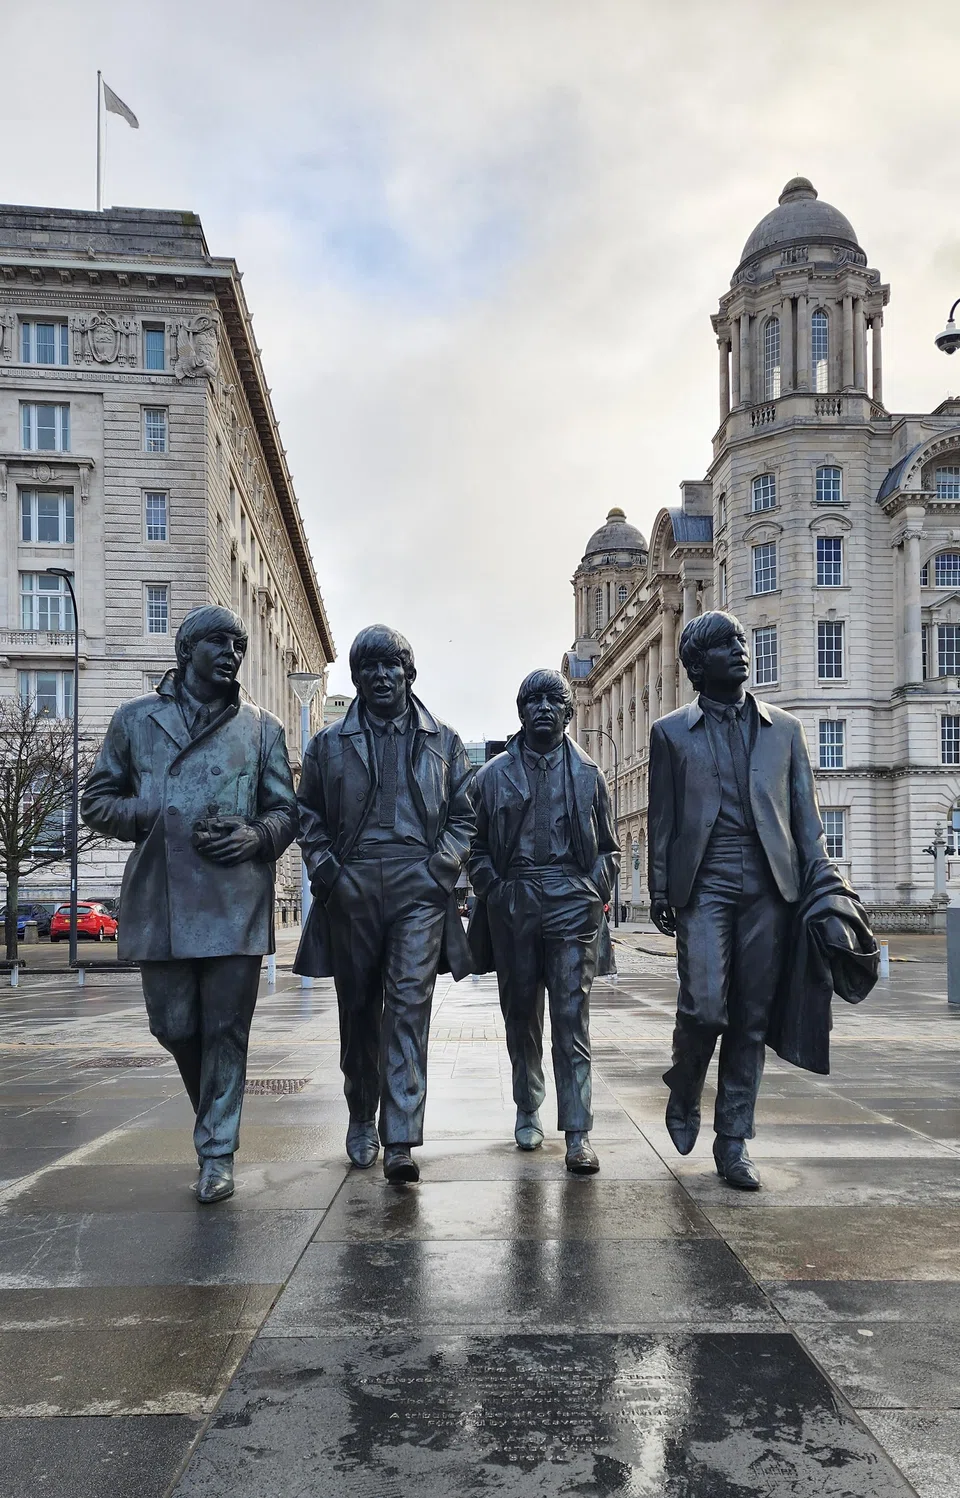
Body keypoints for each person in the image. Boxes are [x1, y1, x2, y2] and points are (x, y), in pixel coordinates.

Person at [81, 606, 297, 1204]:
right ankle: (213, 1117)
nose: (233, 654)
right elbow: (96, 802)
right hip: (161, 895)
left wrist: (256, 835)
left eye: (240, 646)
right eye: (220, 643)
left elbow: (287, 811)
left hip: (235, 897)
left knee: (227, 1031)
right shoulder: (135, 719)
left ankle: (217, 1152)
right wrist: (153, 810)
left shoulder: (262, 727)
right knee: (173, 1025)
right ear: (187, 651)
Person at [647, 609, 836, 1190]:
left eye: (740, 640)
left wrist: (824, 886)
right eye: (725, 643)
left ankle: (733, 1140)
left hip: (770, 888)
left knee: (751, 1018)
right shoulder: (670, 733)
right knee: (705, 1007)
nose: (741, 648)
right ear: (697, 664)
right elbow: (663, 819)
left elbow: (806, 820)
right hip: (705, 883)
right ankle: (685, 1082)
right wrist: (659, 886)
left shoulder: (785, 730)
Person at [294, 625, 475, 1183]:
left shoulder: (444, 740)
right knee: (358, 1012)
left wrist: (439, 869)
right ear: (356, 678)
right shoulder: (327, 744)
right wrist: (329, 872)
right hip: (352, 885)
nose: (380, 676)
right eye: (368, 667)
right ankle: (360, 1115)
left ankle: (400, 1137)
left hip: (418, 887)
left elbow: (464, 816)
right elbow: (308, 815)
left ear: (408, 673)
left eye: (390, 665)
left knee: (407, 1009)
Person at [468, 670, 619, 1173]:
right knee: (521, 1016)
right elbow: (474, 845)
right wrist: (495, 889)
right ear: (520, 711)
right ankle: (528, 1106)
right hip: (515, 898)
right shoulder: (492, 776)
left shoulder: (588, 774)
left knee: (572, 1020)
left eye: (553, 701)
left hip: (571, 899)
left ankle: (578, 1131)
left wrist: (592, 890)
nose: (543, 709)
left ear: (568, 712)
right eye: (533, 701)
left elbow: (609, 849)